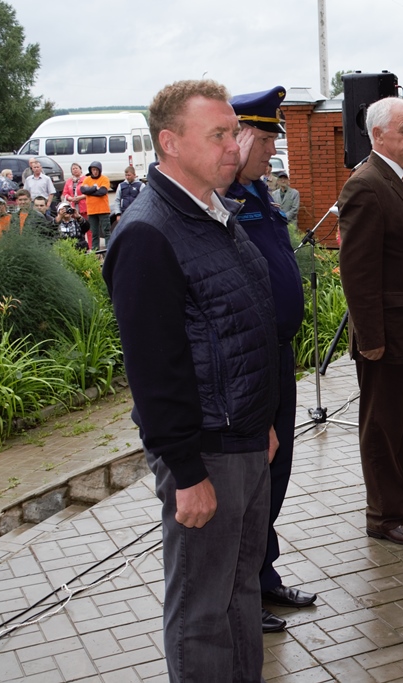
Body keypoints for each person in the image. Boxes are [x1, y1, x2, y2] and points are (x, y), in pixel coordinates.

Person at [103, 80, 279, 683]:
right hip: (205, 451)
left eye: (235, 133)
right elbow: (155, 371)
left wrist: (266, 425)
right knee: (201, 610)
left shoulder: (214, 213)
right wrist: (186, 472)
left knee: (240, 593)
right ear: (170, 144)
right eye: (220, 135)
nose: (236, 147)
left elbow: (247, 326)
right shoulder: (149, 233)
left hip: (244, 440)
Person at [224, 86, 316, 634]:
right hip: (250, 362)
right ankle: (241, 593)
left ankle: (264, 574)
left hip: (278, 355)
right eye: (265, 141)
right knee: (251, 478)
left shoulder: (257, 194)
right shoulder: (226, 199)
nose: (271, 153)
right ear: (240, 137)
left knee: (274, 473)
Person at [337, 97, 403, 547]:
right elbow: (358, 273)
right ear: (377, 134)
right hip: (388, 337)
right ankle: (383, 515)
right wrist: (372, 340)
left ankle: (401, 507)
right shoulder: (366, 185)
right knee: (384, 427)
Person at [80, 161, 111, 248]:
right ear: (91, 170)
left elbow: (102, 192)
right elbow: (83, 190)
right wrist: (94, 188)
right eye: (93, 170)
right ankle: (95, 252)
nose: (95, 172)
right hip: (91, 211)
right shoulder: (87, 179)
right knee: (94, 233)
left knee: (106, 231)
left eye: (97, 170)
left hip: (103, 210)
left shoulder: (104, 179)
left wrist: (89, 191)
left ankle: (108, 249)